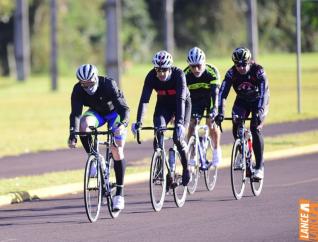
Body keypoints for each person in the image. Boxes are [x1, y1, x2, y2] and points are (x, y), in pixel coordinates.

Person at [68, 64, 130, 211]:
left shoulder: (108, 84)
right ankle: (94, 157)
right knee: (84, 125)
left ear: (95, 78)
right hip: (97, 114)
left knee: (116, 148)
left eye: (90, 83)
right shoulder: (77, 90)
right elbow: (75, 114)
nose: (88, 87)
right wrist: (72, 133)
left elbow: (123, 108)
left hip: (115, 114)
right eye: (84, 84)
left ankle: (119, 195)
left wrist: (122, 124)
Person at [131, 50, 191, 187]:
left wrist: (180, 122)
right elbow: (144, 100)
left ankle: (187, 168)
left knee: (177, 138)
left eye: (164, 70)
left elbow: (181, 99)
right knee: (158, 133)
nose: (161, 74)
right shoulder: (151, 76)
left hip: (182, 105)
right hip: (163, 106)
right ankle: (160, 168)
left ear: (169, 68)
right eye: (158, 70)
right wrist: (139, 121)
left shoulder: (179, 75)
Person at [215, 47, 269, 180]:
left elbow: (264, 93)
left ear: (249, 61)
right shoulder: (231, 73)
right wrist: (220, 112)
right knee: (236, 123)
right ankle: (242, 149)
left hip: (259, 101)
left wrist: (260, 111)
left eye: (244, 64)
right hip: (242, 101)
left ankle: (259, 167)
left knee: (254, 127)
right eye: (237, 64)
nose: (241, 67)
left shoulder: (258, 71)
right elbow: (222, 93)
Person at [184, 47, 222, 167]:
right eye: (192, 66)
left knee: (211, 123)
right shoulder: (185, 75)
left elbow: (215, 94)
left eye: (199, 66)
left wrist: (214, 110)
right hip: (195, 100)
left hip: (209, 98)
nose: (195, 69)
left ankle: (216, 150)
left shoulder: (212, 72)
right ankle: (192, 153)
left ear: (204, 62)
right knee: (192, 124)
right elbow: (181, 97)